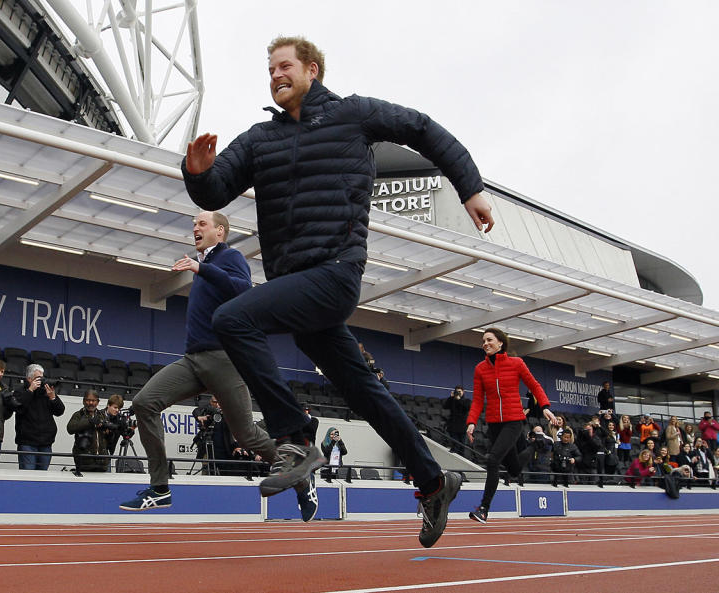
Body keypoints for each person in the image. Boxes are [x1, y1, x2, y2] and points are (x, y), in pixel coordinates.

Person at [181, 35, 491, 548]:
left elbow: (421, 128)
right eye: (270, 69)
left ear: (312, 70)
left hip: (336, 271)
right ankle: (434, 480)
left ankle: (296, 434)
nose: (275, 75)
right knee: (364, 390)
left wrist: (469, 187)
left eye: (284, 66)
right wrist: (196, 170)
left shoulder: (353, 115)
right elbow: (216, 190)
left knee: (233, 319)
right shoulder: (260, 139)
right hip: (295, 284)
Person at [120, 211, 314, 517]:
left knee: (246, 435)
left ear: (219, 231)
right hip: (193, 360)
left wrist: (200, 268)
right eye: (194, 224)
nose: (195, 227)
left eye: (202, 223)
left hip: (224, 359)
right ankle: (159, 489)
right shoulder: (206, 265)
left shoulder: (230, 257)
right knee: (144, 403)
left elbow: (242, 289)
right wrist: (201, 268)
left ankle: (300, 472)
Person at [465, 328, 556, 522]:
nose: (485, 343)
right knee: (513, 469)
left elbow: (534, 385)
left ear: (500, 343)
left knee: (492, 460)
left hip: (513, 421)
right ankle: (536, 444)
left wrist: (545, 406)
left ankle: (483, 508)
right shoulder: (480, 368)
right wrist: (471, 422)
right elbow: (478, 399)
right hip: (494, 424)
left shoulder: (516, 363)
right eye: (483, 341)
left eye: (489, 340)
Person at [12, 364, 65, 470]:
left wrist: (53, 397)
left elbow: (60, 411)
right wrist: (30, 390)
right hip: (27, 443)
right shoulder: (20, 391)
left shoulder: (45, 392)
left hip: (46, 442)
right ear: (29, 378)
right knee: (28, 476)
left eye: (42, 377)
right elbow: (18, 407)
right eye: (38, 378)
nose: (41, 381)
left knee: (43, 476)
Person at [66, 390, 112, 472]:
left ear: (98, 402)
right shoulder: (78, 415)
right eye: (88, 400)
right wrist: (90, 422)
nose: (90, 403)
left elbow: (109, 437)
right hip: (84, 461)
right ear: (83, 401)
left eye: (93, 400)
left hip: (102, 461)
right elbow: (70, 428)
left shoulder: (102, 415)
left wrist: (108, 431)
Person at [442, 386, 470, 455]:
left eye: (459, 392)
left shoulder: (467, 401)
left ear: (463, 392)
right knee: (455, 443)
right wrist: (451, 397)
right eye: (456, 392)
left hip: (462, 426)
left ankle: (461, 457)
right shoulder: (452, 400)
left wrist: (459, 399)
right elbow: (445, 406)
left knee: (462, 444)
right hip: (453, 425)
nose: (458, 393)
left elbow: (467, 407)